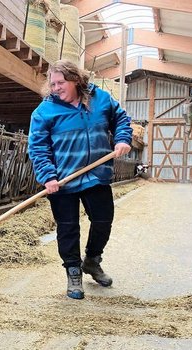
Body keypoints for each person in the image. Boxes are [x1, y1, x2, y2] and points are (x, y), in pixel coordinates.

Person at [27, 60, 132, 299]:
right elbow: (38, 147)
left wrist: (122, 139)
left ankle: (92, 261)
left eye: (61, 82)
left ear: (76, 79)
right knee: (68, 228)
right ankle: (73, 272)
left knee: (103, 221)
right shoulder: (44, 112)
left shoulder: (101, 99)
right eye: (52, 83)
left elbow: (121, 119)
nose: (56, 88)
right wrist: (48, 176)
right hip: (63, 180)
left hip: (97, 175)